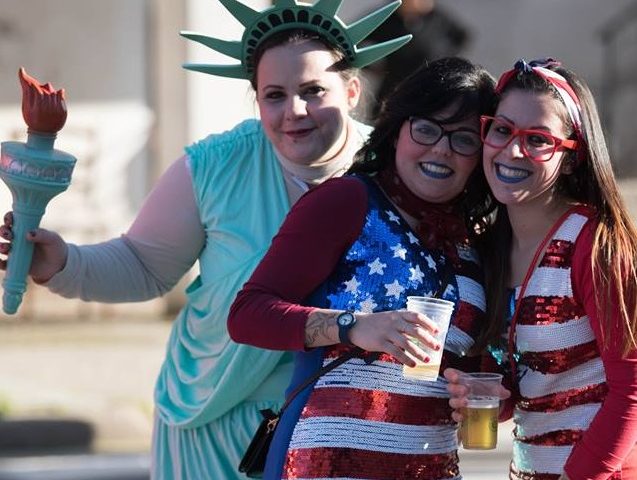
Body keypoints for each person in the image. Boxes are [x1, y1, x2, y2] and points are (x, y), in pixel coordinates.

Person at [0, 1, 412, 478]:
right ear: (256, 99)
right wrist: (63, 263)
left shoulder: (394, 171)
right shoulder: (214, 165)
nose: (294, 112)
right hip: (212, 419)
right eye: (273, 95)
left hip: (347, 421)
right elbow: (143, 265)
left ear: (352, 89)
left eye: (313, 90)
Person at [228, 56, 496, 479]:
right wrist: (353, 326)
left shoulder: (477, 240)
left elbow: (482, 369)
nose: (441, 149)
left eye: (463, 139)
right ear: (396, 132)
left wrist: (486, 390)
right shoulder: (347, 201)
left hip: (432, 467)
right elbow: (247, 315)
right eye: (426, 128)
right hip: (323, 464)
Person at [445, 58, 637, 479]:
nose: (512, 150)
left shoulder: (595, 242)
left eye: (537, 140)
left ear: (571, 159)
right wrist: (492, 396)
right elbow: (537, 386)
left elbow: (633, 389)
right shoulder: (490, 247)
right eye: (502, 129)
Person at [363, 0, 470, 118]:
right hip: (394, 88)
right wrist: (370, 65)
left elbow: (461, 37)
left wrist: (448, 60)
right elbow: (356, 37)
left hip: (430, 89)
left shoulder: (438, 18)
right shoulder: (386, 16)